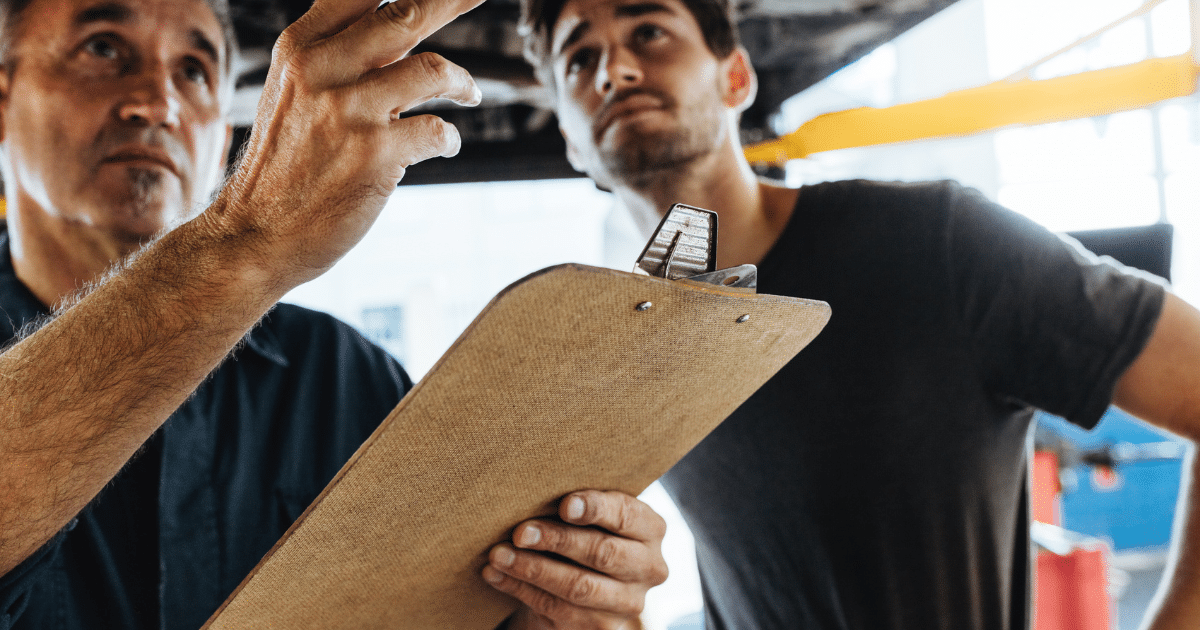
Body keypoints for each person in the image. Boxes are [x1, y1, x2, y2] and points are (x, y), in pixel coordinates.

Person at [516, 0, 1200, 628]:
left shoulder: (940, 243)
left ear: (735, 79)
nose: (616, 69)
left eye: (649, 32)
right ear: (573, 144)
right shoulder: (630, 347)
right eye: (580, 58)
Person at [0, 0, 668, 628]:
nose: (157, 103)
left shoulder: (351, 379)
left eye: (195, 71)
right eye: (104, 48)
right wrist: (249, 236)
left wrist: (553, 603)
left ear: (226, 131)